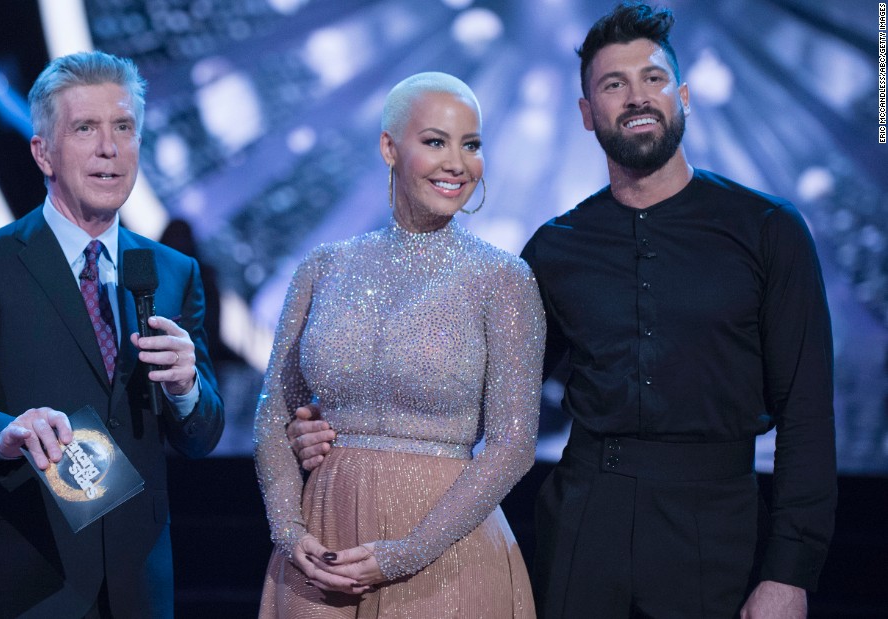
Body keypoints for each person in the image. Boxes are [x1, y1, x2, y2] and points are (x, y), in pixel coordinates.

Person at [289, 3, 837, 618]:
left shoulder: (768, 230)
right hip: (584, 519)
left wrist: (791, 572)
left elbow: (807, 415)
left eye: (653, 79)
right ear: (586, 113)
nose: (637, 97)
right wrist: (342, 425)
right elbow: (478, 393)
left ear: (682, 94)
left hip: (718, 523)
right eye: (613, 84)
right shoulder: (556, 248)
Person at [0, 51, 224, 618]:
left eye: (124, 128)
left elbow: (200, 437)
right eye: (86, 128)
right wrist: (7, 432)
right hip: (18, 570)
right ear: (44, 152)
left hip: (135, 580)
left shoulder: (172, 272)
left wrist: (187, 390)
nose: (110, 148)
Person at [253, 72, 545, 617]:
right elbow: (273, 413)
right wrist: (290, 531)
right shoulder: (322, 268)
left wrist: (406, 554)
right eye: (436, 141)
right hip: (323, 556)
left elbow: (512, 444)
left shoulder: (503, 279)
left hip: (444, 555)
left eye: (472, 144)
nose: (457, 162)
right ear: (389, 146)